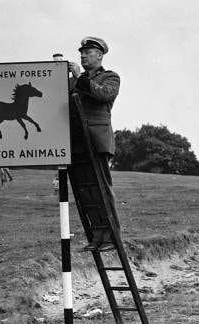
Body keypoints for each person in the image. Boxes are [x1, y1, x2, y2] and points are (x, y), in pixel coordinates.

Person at [68, 36, 120, 252]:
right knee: (86, 193)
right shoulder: (73, 81)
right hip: (77, 142)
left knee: (101, 191)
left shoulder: (110, 77)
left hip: (96, 141)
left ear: (99, 55)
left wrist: (79, 77)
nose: (82, 56)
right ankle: (97, 236)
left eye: (87, 52)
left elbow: (102, 95)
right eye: (81, 52)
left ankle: (111, 238)